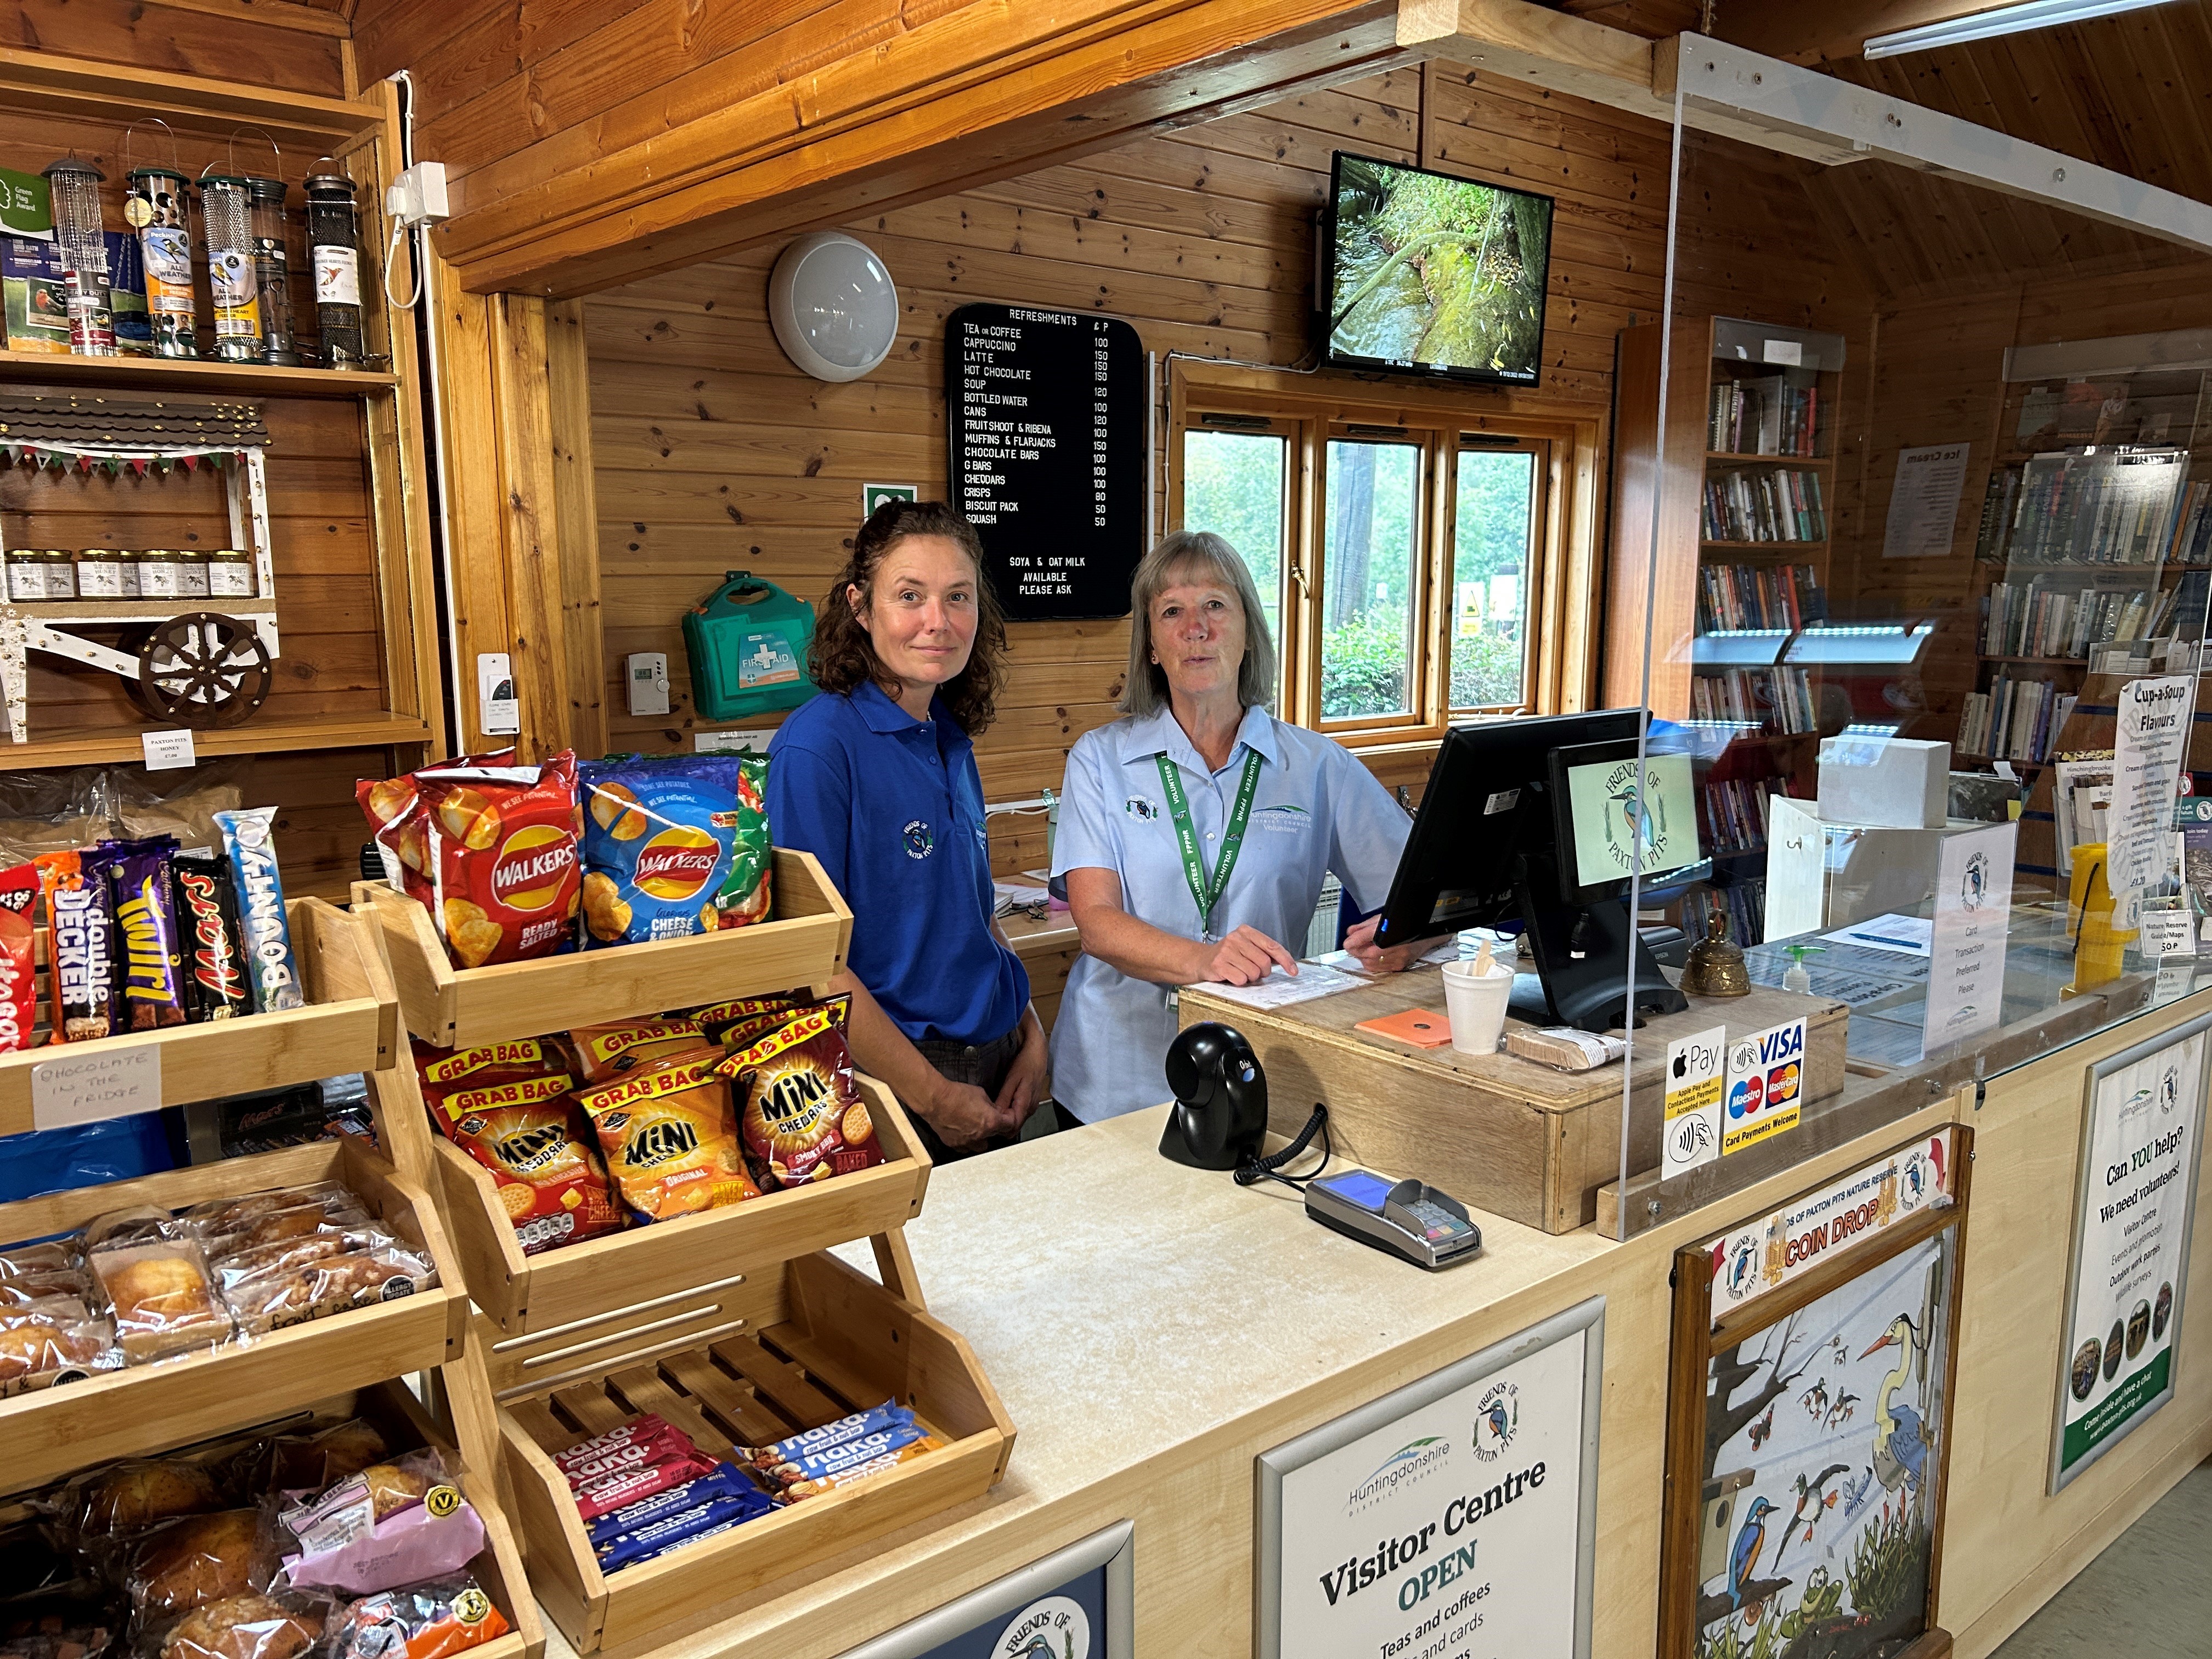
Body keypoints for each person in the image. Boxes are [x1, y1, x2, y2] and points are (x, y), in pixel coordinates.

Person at [1049, 530, 1444, 1123]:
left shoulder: (1315, 766)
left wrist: (1410, 939)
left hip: (1257, 1075)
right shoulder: (1099, 760)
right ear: (1152, 646)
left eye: (1215, 605)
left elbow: (1433, 900)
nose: (1196, 628)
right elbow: (1099, 926)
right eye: (1172, 612)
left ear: (1247, 633)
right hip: (1114, 1082)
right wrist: (1205, 960)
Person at [767, 500, 1048, 1160]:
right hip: (900, 1079)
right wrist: (930, 1095)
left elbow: (977, 918)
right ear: (861, 608)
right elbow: (814, 964)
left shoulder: (947, 736)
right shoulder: (816, 748)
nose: (937, 622)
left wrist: (1032, 1031)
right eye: (910, 596)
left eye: (958, 597)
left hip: (1003, 1058)